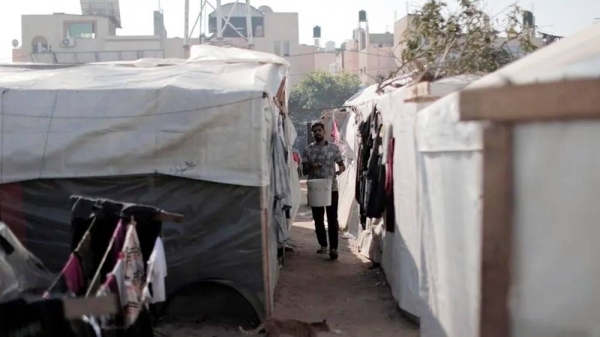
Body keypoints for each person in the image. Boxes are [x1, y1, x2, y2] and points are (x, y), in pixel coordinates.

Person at [302, 121, 345, 260]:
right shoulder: (308, 150)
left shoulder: (333, 148)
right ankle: (323, 245)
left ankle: (333, 248)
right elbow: (304, 170)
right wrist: (312, 167)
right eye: (315, 131)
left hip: (331, 188)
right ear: (312, 133)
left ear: (324, 132)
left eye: (319, 130)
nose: (317, 133)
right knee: (318, 219)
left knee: (332, 218)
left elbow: (341, 165)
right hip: (315, 189)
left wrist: (337, 174)